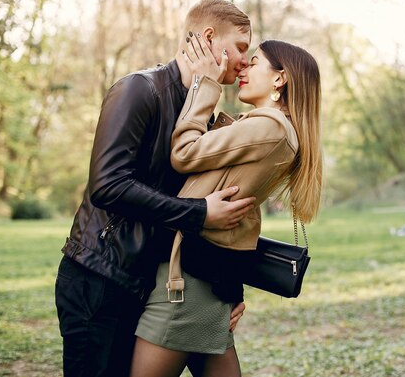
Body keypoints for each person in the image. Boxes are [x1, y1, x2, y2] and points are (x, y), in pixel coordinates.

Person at [54, 0, 257, 377]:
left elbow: (206, 214)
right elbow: (108, 185)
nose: (245, 60)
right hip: (100, 279)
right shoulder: (139, 90)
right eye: (240, 47)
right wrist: (199, 213)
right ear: (209, 37)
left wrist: (230, 289)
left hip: (151, 286)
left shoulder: (201, 113)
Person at [129, 38, 323, 377]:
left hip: (185, 286)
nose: (244, 67)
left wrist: (207, 86)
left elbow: (184, 153)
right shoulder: (269, 127)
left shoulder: (270, 128)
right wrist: (233, 287)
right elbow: (242, 215)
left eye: (256, 61)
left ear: (280, 79)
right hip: (207, 279)